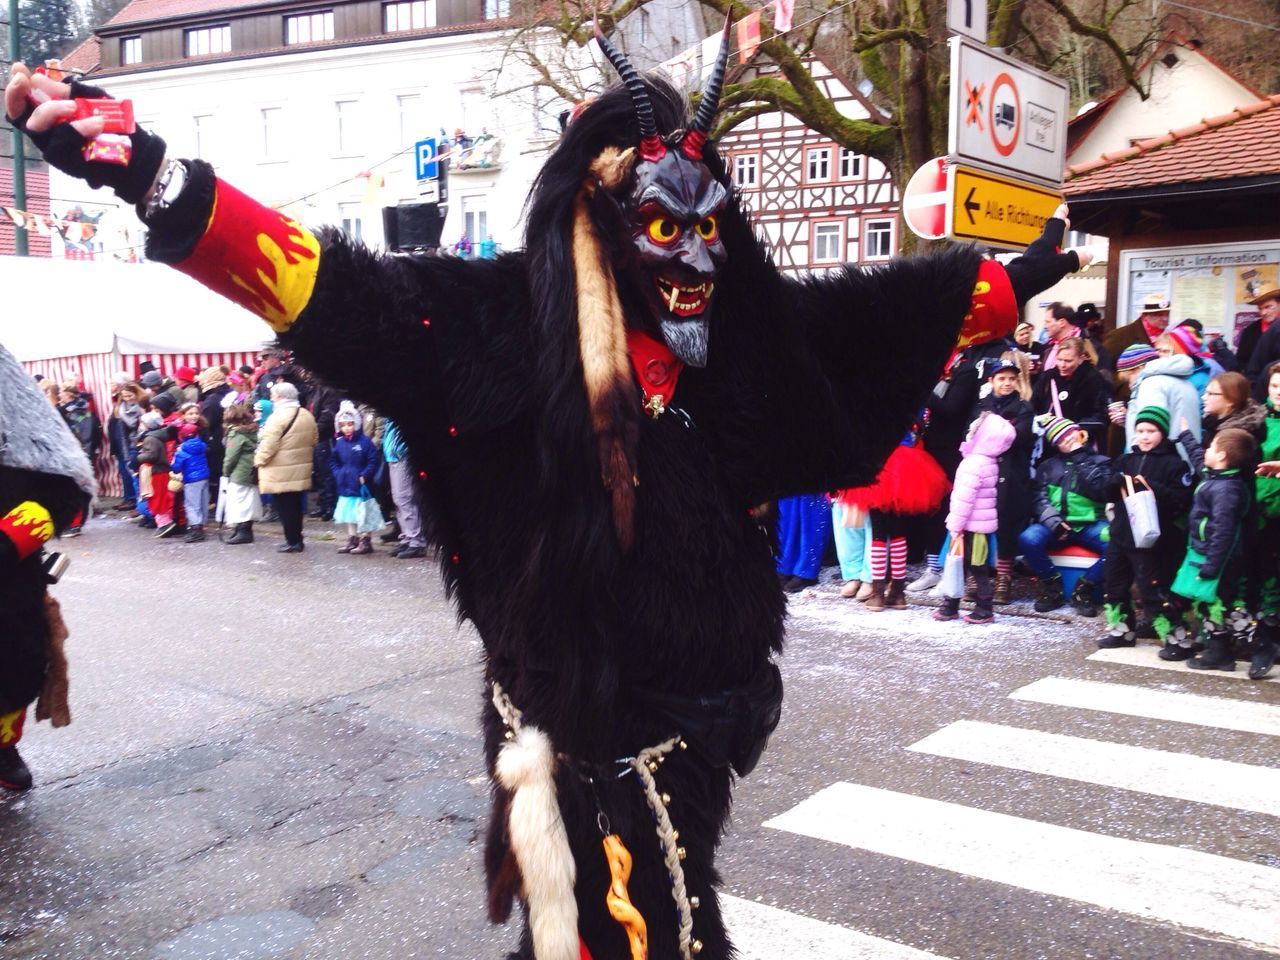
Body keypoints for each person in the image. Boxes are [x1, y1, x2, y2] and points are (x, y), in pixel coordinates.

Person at [4, 54, 1084, 957]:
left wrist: (1022, 273)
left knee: (638, 917)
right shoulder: (489, 328)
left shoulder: (741, 332)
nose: (695, 257)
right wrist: (152, 177)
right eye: (663, 232)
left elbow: (870, 322)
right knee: (610, 925)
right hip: (579, 724)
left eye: (710, 227)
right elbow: (328, 289)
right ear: (602, 216)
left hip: (702, 723)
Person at [0, 339, 94, 791]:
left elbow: (67, 484)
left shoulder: (17, 415)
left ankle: (2, 744)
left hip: (8, 581)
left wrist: (16, 532)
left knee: (13, 664)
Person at [1096, 406, 1193, 649]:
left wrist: (1153, 487)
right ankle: (1122, 630)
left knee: (1152, 591)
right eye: (1140, 431)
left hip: (1153, 539)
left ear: (1162, 433)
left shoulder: (1174, 464)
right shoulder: (1126, 459)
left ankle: (1174, 637)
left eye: (1151, 431)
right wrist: (1114, 481)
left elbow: (1182, 500)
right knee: (1114, 585)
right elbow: (1105, 493)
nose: (1145, 436)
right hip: (1121, 534)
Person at [1171, 426, 1258, 672]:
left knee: (1221, 603)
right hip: (1207, 554)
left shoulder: (1227, 489)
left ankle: (1256, 642)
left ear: (1221, 456)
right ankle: (1219, 653)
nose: (1206, 450)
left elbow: (1224, 531)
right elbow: (1200, 460)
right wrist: (1186, 435)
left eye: (1211, 447)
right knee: (1211, 604)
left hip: (1221, 559)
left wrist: (1211, 566)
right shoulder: (1216, 477)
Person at [1019, 415, 1114, 614]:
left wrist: (1080, 457)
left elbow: (1101, 490)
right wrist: (1054, 523)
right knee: (1028, 539)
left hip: (1091, 523)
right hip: (1057, 524)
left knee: (1117, 544)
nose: (1068, 440)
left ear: (1080, 433)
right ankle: (1053, 587)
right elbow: (1038, 498)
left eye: (1070, 434)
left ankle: (1085, 588)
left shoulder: (1102, 461)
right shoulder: (1048, 466)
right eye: (1061, 439)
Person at [935, 411, 1016, 624]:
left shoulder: (973, 464)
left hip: (969, 526)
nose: (970, 432)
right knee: (965, 565)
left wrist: (955, 526)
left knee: (973, 566)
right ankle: (951, 605)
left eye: (974, 430)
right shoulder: (989, 461)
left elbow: (964, 499)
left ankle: (983, 607)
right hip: (981, 526)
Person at [974, 356, 1035, 604]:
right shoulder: (980, 405)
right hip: (984, 472)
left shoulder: (1024, 407)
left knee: (1006, 526)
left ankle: (1003, 577)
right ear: (992, 381)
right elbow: (973, 435)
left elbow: (1018, 437)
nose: (1007, 383)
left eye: (1012, 378)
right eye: (1002, 378)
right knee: (979, 525)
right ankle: (977, 577)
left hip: (1011, 474)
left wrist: (995, 430)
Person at [254, 381, 317, 553]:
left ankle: (292, 541)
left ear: (281, 397)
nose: (271, 398)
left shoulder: (277, 417)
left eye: (273, 395)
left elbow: (268, 446)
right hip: (300, 467)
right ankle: (297, 539)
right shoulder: (306, 414)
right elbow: (314, 439)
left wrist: (258, 460)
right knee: (296, 505)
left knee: (285, 507)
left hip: (280, 469)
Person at [1119, 343, 1202, 462]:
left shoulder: (1151, 384)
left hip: (1161, 466)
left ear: (1138, 368)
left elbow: (1152, 429)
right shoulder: (1183, 381)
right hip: (1187, 457)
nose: (1128, 385)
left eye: (1128, 378)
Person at [1032, 336, 1111, 450]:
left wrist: (1078, 430)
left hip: (1080, 443)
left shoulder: (1094, 379)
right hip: (1050, 442)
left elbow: (1101, 414)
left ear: (1081, 358)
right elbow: (1034, 406)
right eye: (1059, 360)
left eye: (1068, 361)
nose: (1062, 365)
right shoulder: (1047, 377)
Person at [330, 400, 381, 555]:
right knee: (348, 514)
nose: (347, 428)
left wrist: (365, 474)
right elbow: (334, 460)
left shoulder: (365, 442)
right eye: (343, 425)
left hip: (360, 483)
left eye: (350, 424)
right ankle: (352, 538)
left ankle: (366, 540)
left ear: (356, 423)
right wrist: (337, 473)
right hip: (345, 482)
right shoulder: (339, 443)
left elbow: (373, 460)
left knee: (363, 512)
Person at [382, 417, 427, 559]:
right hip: (393, 458)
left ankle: (416, 542)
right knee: (398, 499)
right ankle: (407, 538)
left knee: (405, 498)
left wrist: (400, 451)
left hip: (402, 457)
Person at [221, 402, 262, 545]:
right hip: (251, 471)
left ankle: (243, 531)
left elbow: (231, 456)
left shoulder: (235, 433)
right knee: (249, 501)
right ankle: (243, 530)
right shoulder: (252, 432)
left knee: (239, 502)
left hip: (239, 472)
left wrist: (225, 471)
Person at [136, 410, 178, 537]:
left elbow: (152, 456)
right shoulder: (158, 436)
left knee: (157, 498)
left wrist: (139, 457)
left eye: (142, 423)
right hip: (161, 471)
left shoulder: (150, 438)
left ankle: (165, 524)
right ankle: (165, 522)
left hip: (156, 472)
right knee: (162, 497)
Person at [170, 418, 211, 543]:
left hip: (191, 479)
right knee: (203, 502)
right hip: (204, 477)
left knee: (192, 505)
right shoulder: (202, 445)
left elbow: (176, 468)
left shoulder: (182, 450)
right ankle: (202, 525)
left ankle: (196, 529)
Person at [1155, 326, 1222, 396]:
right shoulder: (1161, 370)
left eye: (1165, 351)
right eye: (1157, 350)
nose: (1159, 355)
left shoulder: (1201, 380)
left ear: (1180, 354)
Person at [107, 377, 142, 510]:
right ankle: (129, 498)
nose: (127, 398)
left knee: (132, 474)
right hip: (121, 445)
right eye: (125, 396)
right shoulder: (120, 407)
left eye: (130, 395)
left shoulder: (140, 408)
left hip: (132, 445)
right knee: (124, 472)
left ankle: (134, 501)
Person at [1104, 292, 1170, 361]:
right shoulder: (1119, 336)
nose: (1165, 319)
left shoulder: (1169, 335)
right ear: (1145, 315)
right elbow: (1105, 364)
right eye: (1159, 315)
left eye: (1167, 314)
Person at [1237, 285, 1278, 375]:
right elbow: (1241, 361)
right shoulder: (1250, 331)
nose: (1263, 313)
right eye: (1260, 308)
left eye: (1268, 307)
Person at [1039, 302, 1080, 374]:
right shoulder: (1050, 345)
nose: (1044, 326)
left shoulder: (1087, 346)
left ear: (1062, 322)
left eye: (1047, 322)